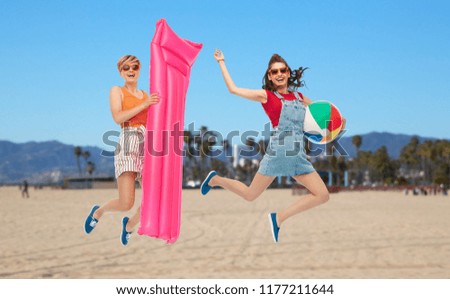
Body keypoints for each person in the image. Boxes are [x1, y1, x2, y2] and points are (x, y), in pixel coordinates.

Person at [201, 49, 338, 243]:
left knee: (323, 195)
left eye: (282, 70)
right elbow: (233, 89)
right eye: (274, 72)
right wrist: (221, 62)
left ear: (288, 72)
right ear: (270, 76)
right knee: (250, 195)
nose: (279, 74)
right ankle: (216, 180)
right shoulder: (267, 96)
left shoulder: (300, 97)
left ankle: (279, 218)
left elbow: (323, 115)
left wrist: (338, 121)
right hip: (278, 153)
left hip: (298, 155)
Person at [84, 55, 159, 246]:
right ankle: (98, 212)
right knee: (126, 203)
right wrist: (144, 105)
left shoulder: (146, 94)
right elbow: (118, 117)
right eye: (126, 68)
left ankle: (128, 226)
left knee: (153, 200)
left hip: (147, 146)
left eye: (134, 67)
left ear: (140, 70)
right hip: (128, 141)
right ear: (121, 72)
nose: (131, 70)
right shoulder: (117, 90)